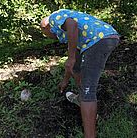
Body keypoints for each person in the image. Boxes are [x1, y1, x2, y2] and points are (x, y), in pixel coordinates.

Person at [40, 9, 120, 138]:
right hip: (107, 36)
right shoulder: (70, 29)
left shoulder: (54, 18)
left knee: (89, 89)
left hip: (98, 41)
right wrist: (65, 80)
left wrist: (71, 57)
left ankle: (89, 133)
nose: (52, 37)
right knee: (77, 68)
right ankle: (81, 99)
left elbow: (72, 25)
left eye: (47, 34)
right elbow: (73, 60)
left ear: (46, 28)